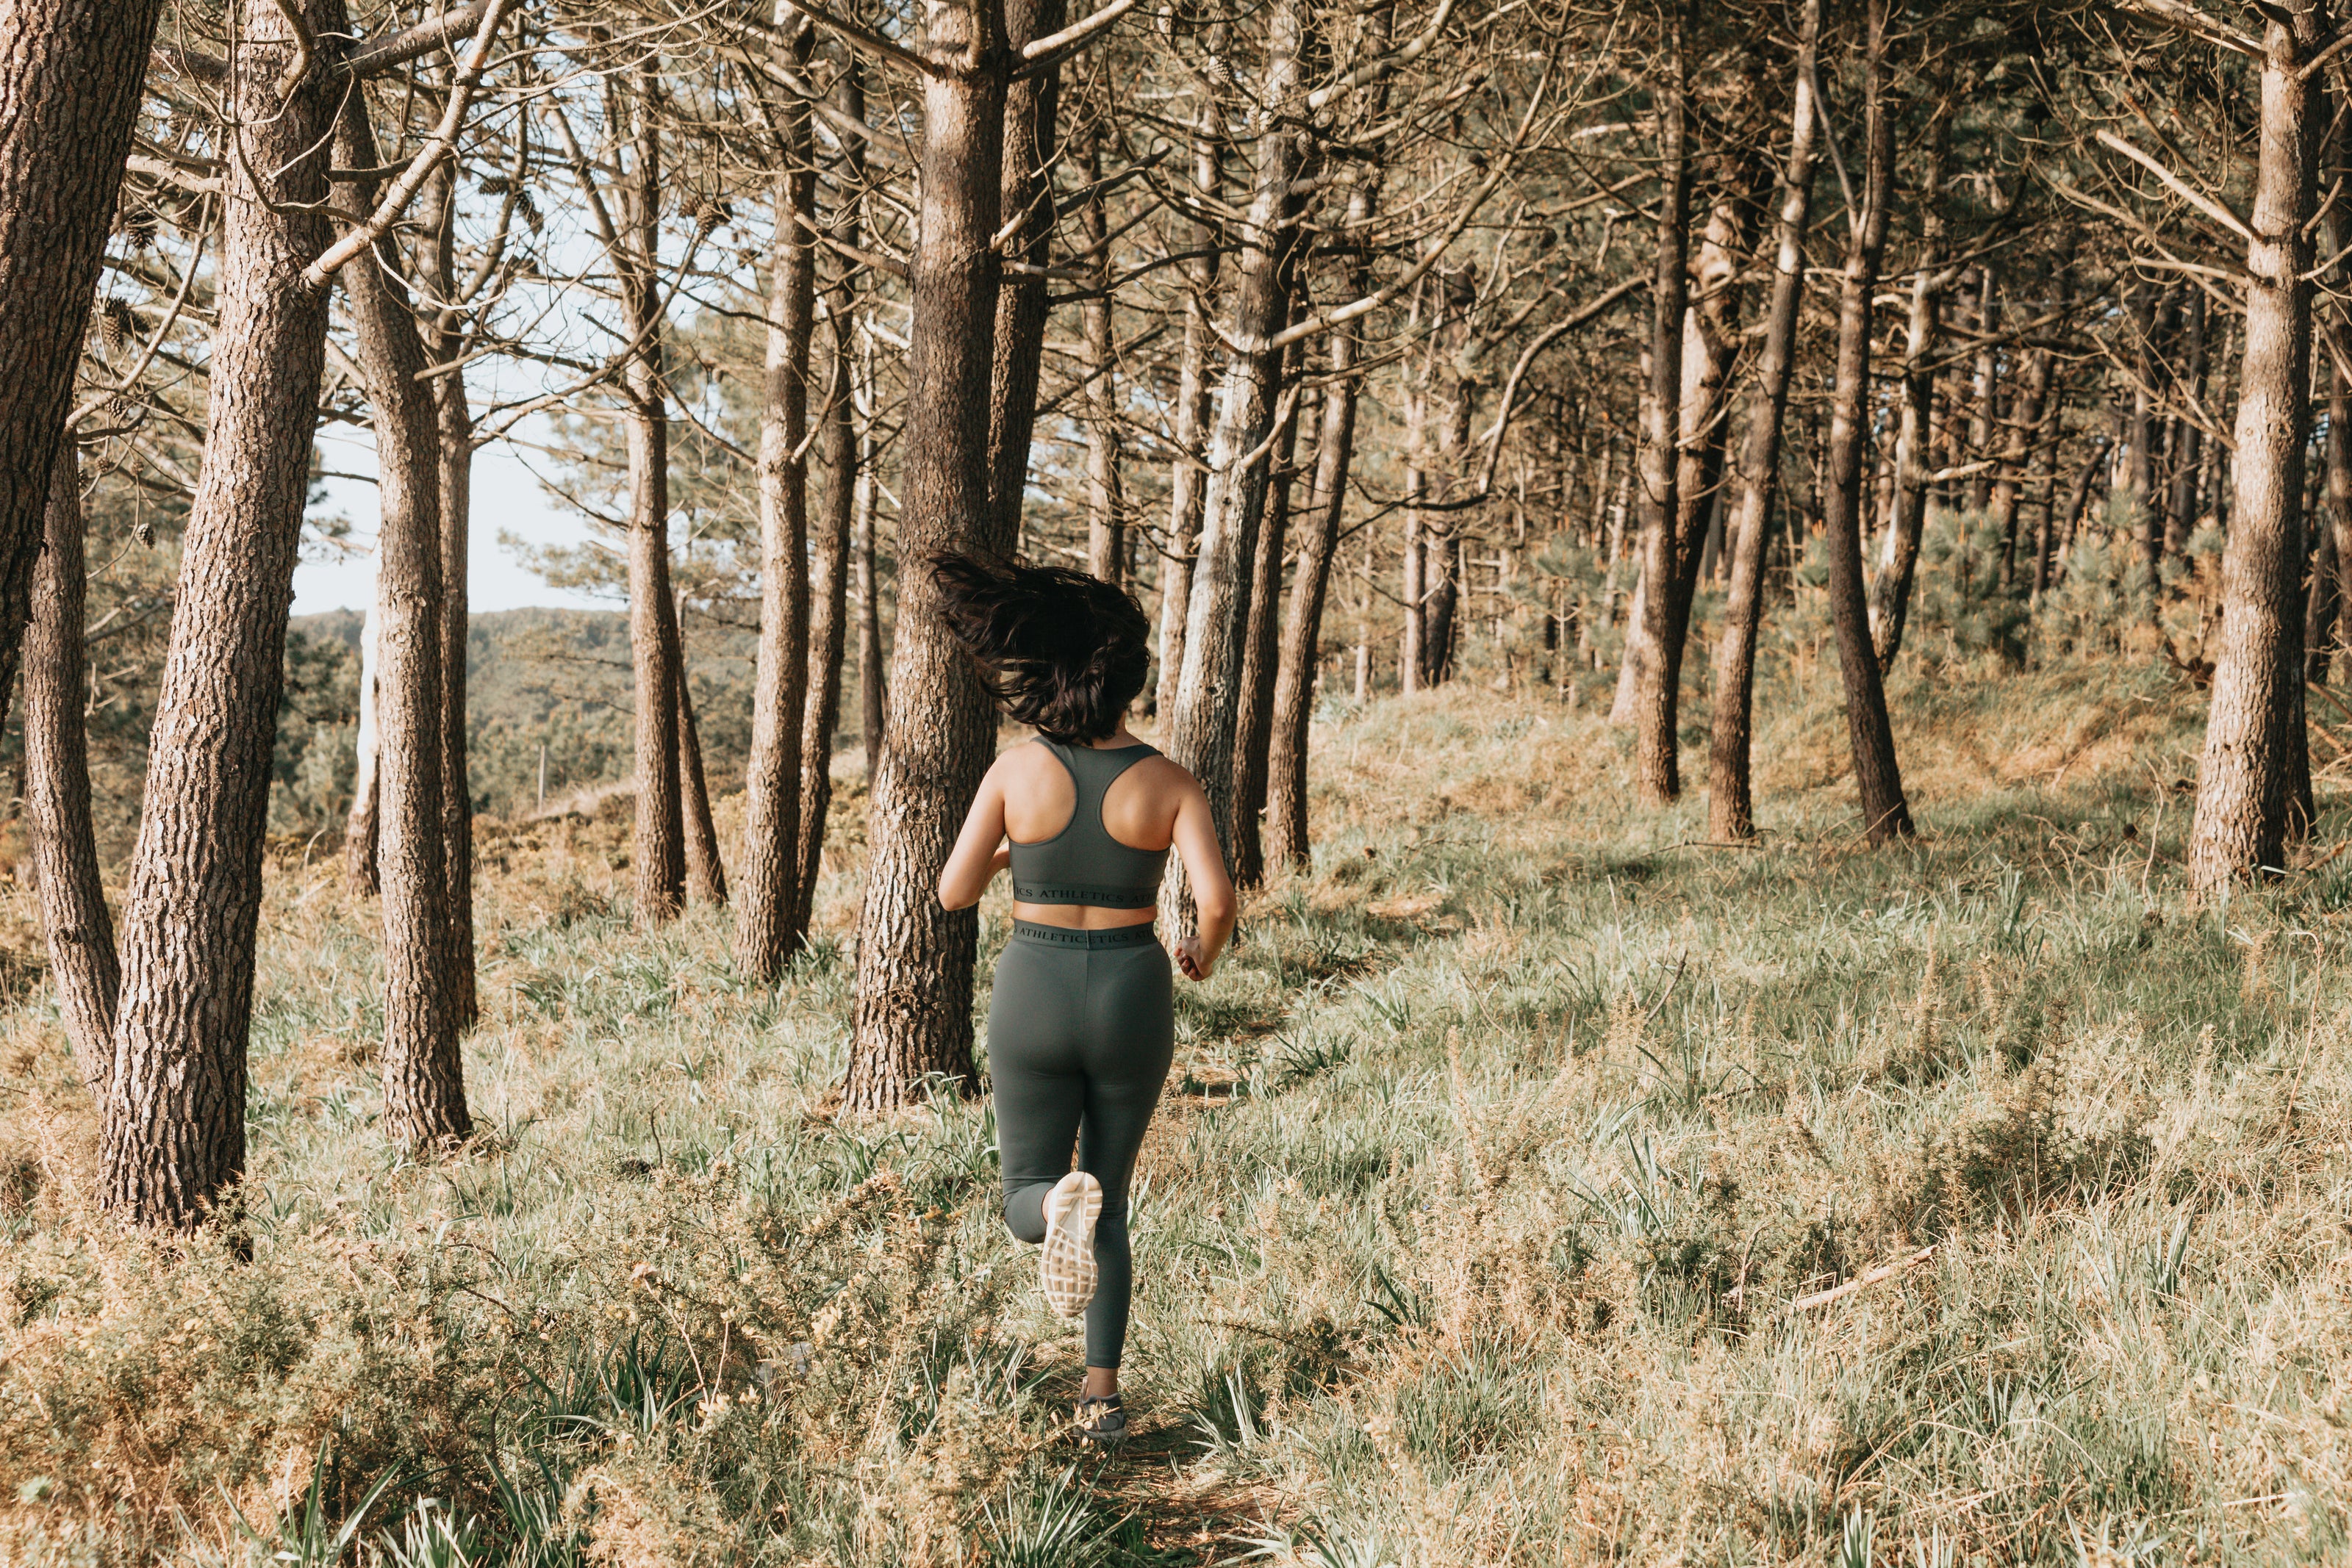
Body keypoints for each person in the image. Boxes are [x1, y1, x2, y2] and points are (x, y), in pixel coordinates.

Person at [933, 550, 1237, 1447]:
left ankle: (1047, 1210)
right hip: (1131, 987)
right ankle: (1100, 1398)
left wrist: (1016, 856)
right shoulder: (1168, 780)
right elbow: (1217, 903)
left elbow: (952, 891)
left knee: (1032, 1186)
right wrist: (1202, 956)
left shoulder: (1013, 773)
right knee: (1113, 1192)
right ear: (1129, 684)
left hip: (1033, 981)